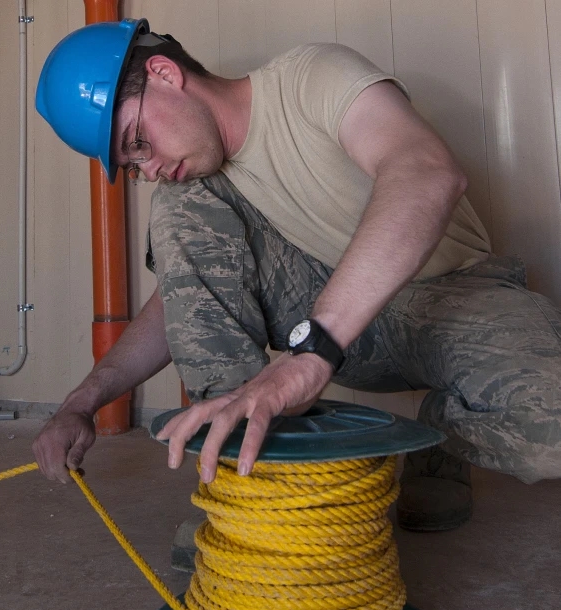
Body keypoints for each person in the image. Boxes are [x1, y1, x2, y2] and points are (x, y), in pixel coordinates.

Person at [33, 18, 561, 533]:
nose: (147, 169)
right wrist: (80, 403)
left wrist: (311, 354)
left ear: (166, 74)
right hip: (333, 320)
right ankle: (253, 485)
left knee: (550, 431)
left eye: (138, 143)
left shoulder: (311, 77)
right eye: (132, 164)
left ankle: (438, 438)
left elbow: (427, 172)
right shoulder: (203, 188)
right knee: (180, 205)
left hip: (456, 298)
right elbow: (182, 304)